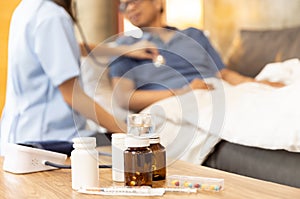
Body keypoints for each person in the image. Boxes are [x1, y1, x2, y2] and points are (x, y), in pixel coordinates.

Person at [0, 0, 159, 154]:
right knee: (131, 154)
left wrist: (124, 49)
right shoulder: (52, 16)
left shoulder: (27, 8)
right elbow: (73, 95)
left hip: (18, 136)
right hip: (49, 141)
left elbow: (72, 47)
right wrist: (126, 131)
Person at [109, 0, 284, 112]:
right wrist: (183, 92)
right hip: (177, 103)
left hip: (221, 91)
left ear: (157, 3)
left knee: (276, 100)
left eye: (135, 1)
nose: (130, 7)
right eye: (124, 5)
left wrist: (258, 84)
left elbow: (223, 74)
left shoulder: (194, 35)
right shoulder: (124, 48)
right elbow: (125, 99)